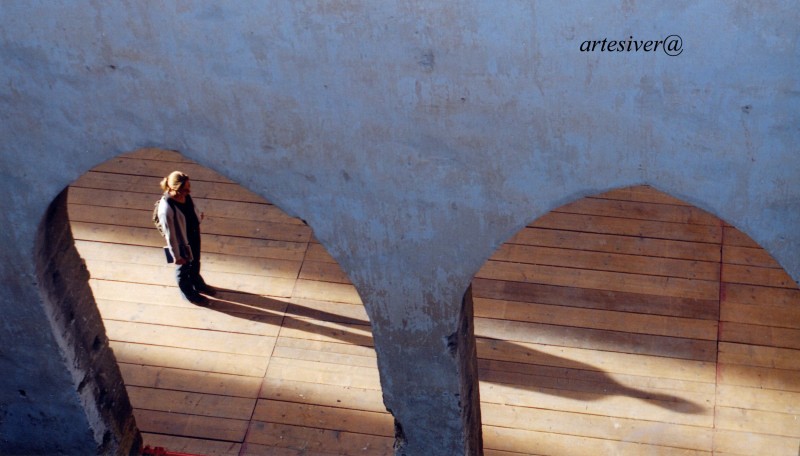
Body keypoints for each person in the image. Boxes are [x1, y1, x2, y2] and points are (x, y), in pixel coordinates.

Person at [158, 171, 214, 304]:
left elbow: (190, 209)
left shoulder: (185, 196)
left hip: (193, 234)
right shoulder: (166, 209)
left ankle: (197, 283)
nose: (188, 192)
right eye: (184, 190)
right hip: (181, 241)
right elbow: (170, 235)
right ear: (172, 188)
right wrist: (176, 255)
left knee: (195, 261)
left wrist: (198, 218)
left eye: (189, 188)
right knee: (183, 268)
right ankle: (188, 293)